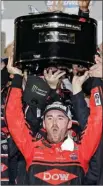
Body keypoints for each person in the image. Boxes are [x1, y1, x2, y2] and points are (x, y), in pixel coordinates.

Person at [5, 56, 103, 185]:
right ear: (44, 124)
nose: (54, 123)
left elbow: (97, 120)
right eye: (49, 118)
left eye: (60, 118)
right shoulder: (32, 149)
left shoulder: (81, 152)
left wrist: (96, 80)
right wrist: (17, 76)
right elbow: (13, 117)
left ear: (69, 124)